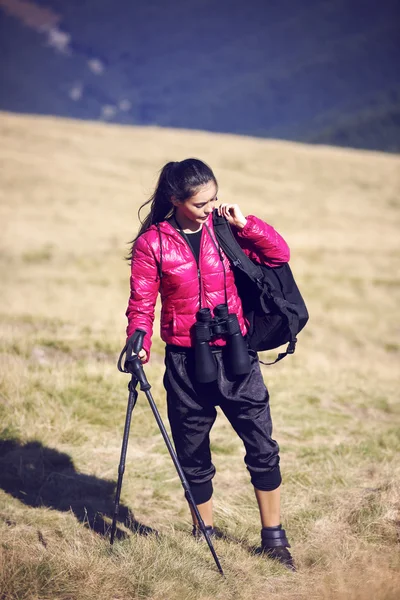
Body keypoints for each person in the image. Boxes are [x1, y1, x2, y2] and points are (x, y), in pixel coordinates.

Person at [125, 158, 295, 570]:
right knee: (193, 455)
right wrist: (139, 339)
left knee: (262, 447)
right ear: (175, 200)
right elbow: (142, 300)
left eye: (214, 199)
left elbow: (279, 254)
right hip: (185, 360)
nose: (209, 208)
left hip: (237, 356)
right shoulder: (154, 242)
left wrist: (245, 225)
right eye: (201, 203)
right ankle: (206, 536)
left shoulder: (225, 231)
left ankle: (273, 539)